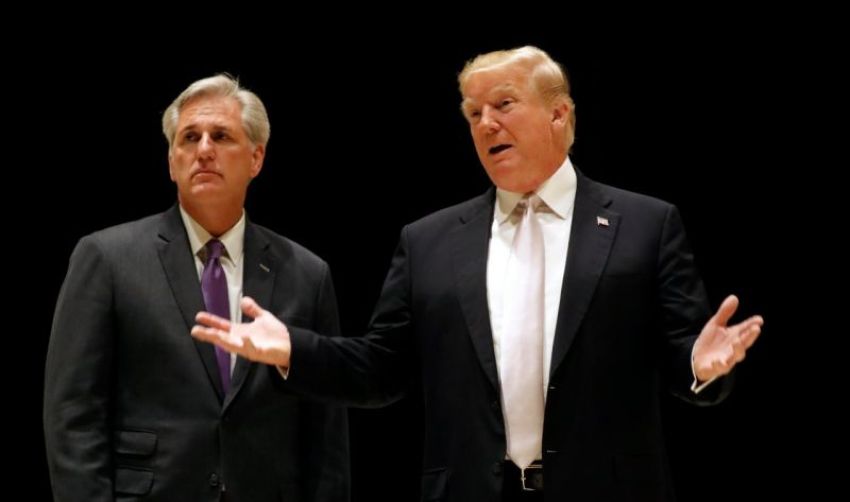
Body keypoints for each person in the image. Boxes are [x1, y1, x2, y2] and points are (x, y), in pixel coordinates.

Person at [192, 47, 764, 501]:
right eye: (473, 114)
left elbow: (684, 358)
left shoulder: (645, 225)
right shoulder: (430, 241)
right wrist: (293, 348)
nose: (486, 123)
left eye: (504, 104)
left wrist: (702, 366)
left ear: (560, 114)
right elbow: (382, 370)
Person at [43, 74, 349, 502]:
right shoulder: (107, 259)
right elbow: (73, 416)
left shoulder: (306, 273)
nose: (204, 150)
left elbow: (327, 433)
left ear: (256, 157)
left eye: (221, 136)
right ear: (172, 162)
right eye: (189, 137)